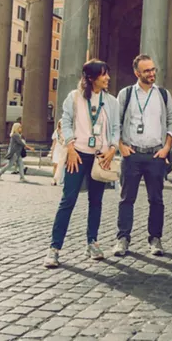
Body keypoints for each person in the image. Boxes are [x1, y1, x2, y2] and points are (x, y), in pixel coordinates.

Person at [44, 59, 120, 268]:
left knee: (96, 202)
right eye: (103, 74)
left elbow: (115, 128)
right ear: (91, 77)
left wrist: (112, 150)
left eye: (107, 73)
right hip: (76, 155)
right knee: (68, 200)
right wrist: (69, 148)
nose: (108, 78)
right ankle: (54, 248)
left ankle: (92, 243)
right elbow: (66, 123)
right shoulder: (74, 98)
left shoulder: (111, 102)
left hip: (99, 157)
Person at [113, 54, 172, 257]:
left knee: (156, 200)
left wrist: (166, 148)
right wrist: (121, 146)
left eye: (153, 69)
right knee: (126, 199)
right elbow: (116, 121)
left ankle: (155, 239)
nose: (152, 73)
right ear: (137, 73)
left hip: (155, 155)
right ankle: (123, 239)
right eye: (147, 70)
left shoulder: (163, 95)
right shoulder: (126, 93)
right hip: (132, 154)